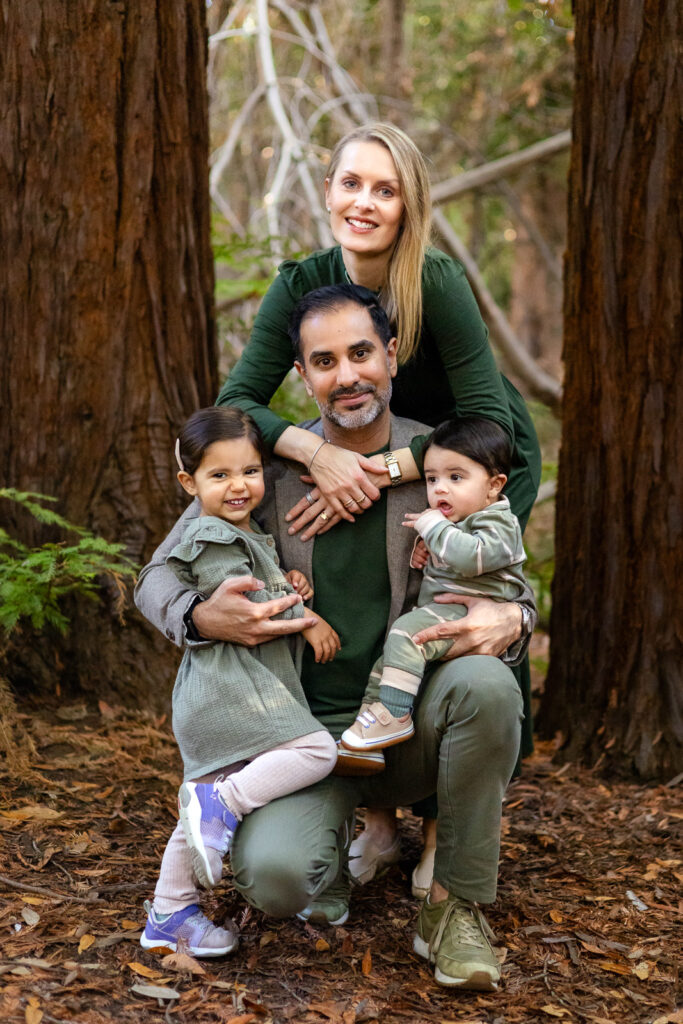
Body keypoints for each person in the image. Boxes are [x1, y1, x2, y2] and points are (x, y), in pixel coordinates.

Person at [136, 286, 535, 990]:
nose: (345, 375)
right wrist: (200, 616)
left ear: (388, 355)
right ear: (302, 374)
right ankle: (330, 853)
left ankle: (454, 909)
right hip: (298, 740)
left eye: (359, 353)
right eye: (323, 361)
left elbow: (503, 572)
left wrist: (517, 618)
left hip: (406, 726)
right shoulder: (261, 472)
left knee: (487, 683)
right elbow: (157, 578)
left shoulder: (433, 458)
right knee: (279, 881)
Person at [216, 122, 541, 893]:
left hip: (471, 456)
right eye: (351, 183)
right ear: (327, 192)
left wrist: (382, 466)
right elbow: (235, 402)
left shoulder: (435, 282)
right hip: (363, 443)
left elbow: (487, 422)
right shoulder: (301, 283)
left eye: (384, 189)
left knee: (455, 608)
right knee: (370, 600)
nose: (364, 201)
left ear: (407, 204)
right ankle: (376, 816)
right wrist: (316, 454)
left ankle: (443, 829)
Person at [140, 406, 338, 957]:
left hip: (221, 693)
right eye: (219, 475)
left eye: (250, 471)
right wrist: (306, 613)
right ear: (189, 483)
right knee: (317, 750)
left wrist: (286, 578)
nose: (238, 486)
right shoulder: (210, 534)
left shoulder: (243, 533)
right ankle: (226, 804)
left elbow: (258, 580)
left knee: (195, 813)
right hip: (234, 686)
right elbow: (246, 601)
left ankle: (167, 913)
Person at [341, 417, 529, 752]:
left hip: (471, 610)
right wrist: (426, 548)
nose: (440, 488)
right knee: (388, 662)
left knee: (406, 635)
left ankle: (395, 716)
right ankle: (373, 720)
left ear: (494, 485)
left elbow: (473, 557)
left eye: (456, 477)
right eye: (432, 478)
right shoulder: (459, 521)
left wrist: (433, 527)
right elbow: (452, 549)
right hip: (444, 609)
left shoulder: (500, 522)